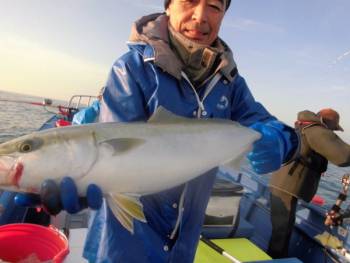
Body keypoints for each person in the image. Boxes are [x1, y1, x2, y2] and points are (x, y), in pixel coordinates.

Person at [16, 0, 299, 262]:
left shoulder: (231, 83)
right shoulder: (132, 68)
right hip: (123, 245)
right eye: (189, 1)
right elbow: (116, 153)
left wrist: (283, 141)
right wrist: (82, 180)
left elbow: (267, 123)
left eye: (214, 6)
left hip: (183, 246)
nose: (200, 16)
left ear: (223, 15)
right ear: (168, 7)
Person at [268, 108, 350, 259]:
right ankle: (275, 260)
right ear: (326, 122)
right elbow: (343, 156)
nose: (333, 132)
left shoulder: (304, 127)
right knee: (282, 232)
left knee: (281, 230)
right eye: (332, 128)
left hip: (281, 184)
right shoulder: (316, 130)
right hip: (287, 187)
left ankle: (276, 258)